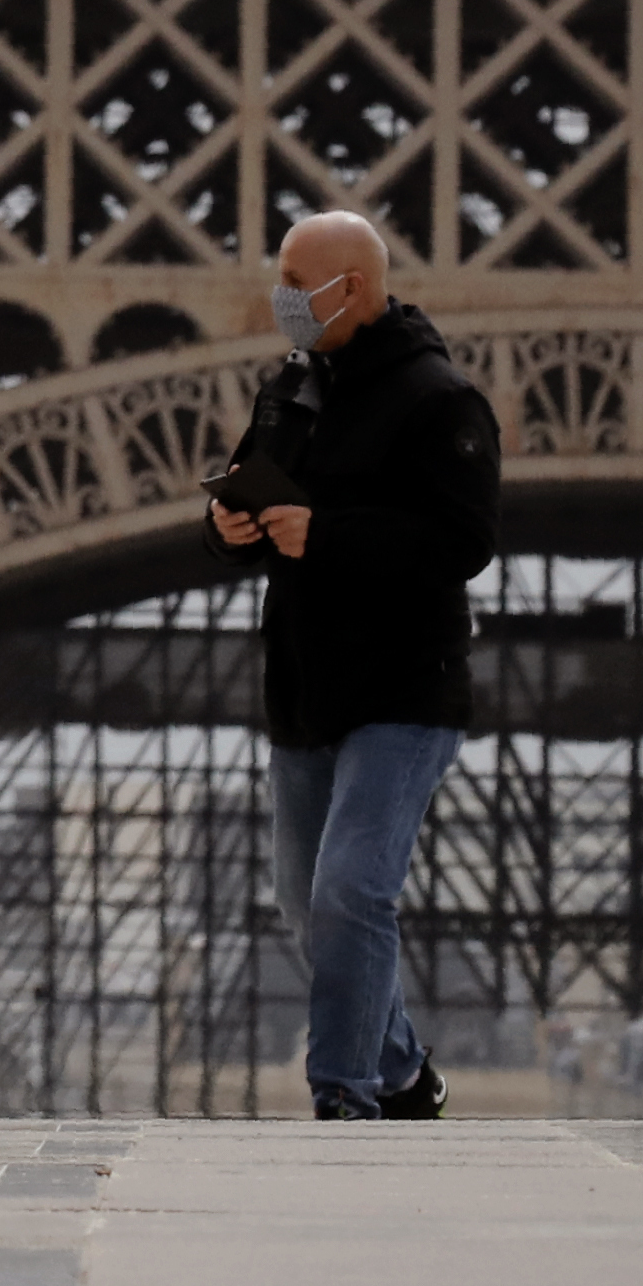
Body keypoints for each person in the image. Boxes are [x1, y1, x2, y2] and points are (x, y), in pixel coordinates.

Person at [205, 208, 500, 1120]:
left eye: (299, 277)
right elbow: (251, 494)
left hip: (403, 692)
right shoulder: (291, 387)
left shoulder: (440, 399)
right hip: (307, 685)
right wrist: (228, 526)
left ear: (356, 287)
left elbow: (464, 540)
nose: (283, 295)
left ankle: (345, 1091)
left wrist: (324, 533)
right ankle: (405, 1071)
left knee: (349, 891)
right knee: (308, 908)